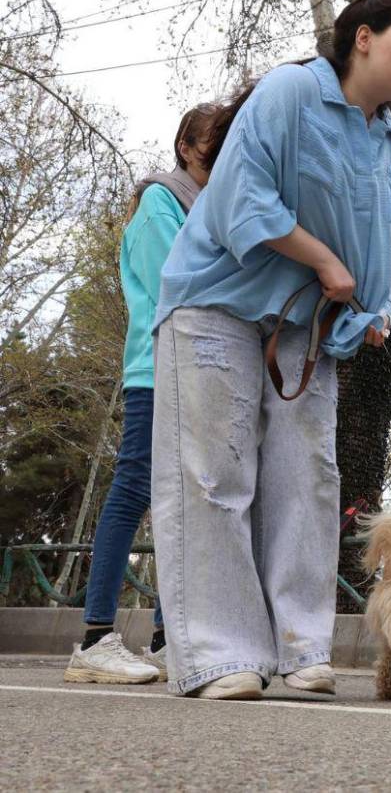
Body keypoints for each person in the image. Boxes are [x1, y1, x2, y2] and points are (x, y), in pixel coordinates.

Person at [150, 0, 391, 700]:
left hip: (307, 323)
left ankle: (302, 647)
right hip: (215, 302)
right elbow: (241, 198)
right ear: (363, 38)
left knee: (308, 477)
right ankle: (220, 656)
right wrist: (322, 260)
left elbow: (376, 241)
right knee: (216, 475)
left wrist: (376, 307)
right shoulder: (290, 91)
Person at [64, 104, 218, 685]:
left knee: (188, 501)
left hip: (200, 370)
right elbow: (172, 284)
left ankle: (163, 635)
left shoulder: (210, 209)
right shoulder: (160, 202)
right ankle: (95, 637)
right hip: (156, 369)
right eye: (211, 143)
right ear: (185, 145)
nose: (220, 154)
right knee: (133, 490)